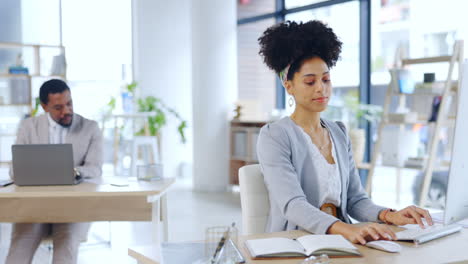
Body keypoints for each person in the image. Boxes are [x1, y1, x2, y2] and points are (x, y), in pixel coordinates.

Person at [256, 20, 432, 245]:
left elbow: (355, 199)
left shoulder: (338, 133)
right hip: (296, 243)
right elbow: (293, 204)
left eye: (326, 79)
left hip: (342, 240)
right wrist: (345, 230)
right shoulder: (274, 136)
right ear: (288, 86)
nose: (321, 88)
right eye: (310, 82)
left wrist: (390, 215)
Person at [6, 79, 103, 264]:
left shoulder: (90, 128)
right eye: (58, 107)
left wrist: (72, 171)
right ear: (44, 106)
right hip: (34, 208)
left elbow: (95, 168)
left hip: (73, 208)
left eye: (69, 103)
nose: (67, 111)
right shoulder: (28, 127)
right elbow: (15, 170)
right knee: (18, 253)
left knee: (64, 253)